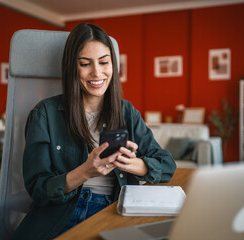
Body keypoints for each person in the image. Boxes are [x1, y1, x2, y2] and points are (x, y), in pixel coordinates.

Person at [12, 23, 176, 239]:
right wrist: (86, 171)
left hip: (113, 209)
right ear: (73, 67)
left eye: (104, 62)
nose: (97, 73)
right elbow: (38, 189)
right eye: (85, 64)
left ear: (112, 65)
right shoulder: (45, 114)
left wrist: (132, 164)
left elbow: (167, 165)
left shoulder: (127, 112)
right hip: (59, 213)